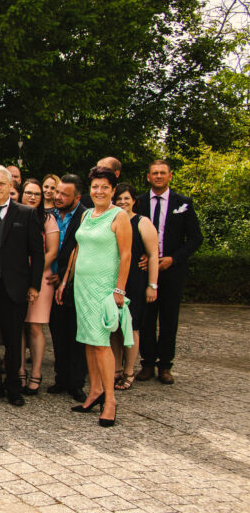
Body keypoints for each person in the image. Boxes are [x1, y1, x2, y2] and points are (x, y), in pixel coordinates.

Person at [57, 167, 132, 428]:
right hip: (82, 287)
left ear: (113, 190)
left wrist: (119, 289)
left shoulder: (119, 216)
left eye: (104, 187)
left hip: (103, 288)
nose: (99, 191)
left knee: (101, 343)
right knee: (88, 341)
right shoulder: (86, 214)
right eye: (95, 187)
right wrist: (65, 281)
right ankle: (95, 391)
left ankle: (110, 400)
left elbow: (126, 255)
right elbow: (77, 249)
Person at [0, 166, 43, 407]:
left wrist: (34, 286)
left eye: (2, 184)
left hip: (15, 286)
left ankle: (14, 386)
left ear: (11, 185)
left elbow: (37, 253)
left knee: (14, 339)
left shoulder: (26, 213)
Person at [136, 159, 201, 385]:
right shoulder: (139, 202)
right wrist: (143, 256)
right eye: (154, 173)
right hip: (145, 269)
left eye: (162, 173)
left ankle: (165, 365)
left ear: (170, 176)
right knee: (146, 318)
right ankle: (147, 363)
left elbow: (195, 238)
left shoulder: (183, 203)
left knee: (169, 318)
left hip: (172, 269)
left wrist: (173, 259)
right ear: (148, 177)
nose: (158, 176)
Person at [112, 183, 159, 390]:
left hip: (135, 280)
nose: (122, 202)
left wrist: (152, 285)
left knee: (131, 327)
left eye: (126, 198)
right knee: (114, 327)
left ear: (133, 200)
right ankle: (116, 368)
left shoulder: (142, 222)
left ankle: (129, 370)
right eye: (119, 199)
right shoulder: (112, 219)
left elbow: (153, 255)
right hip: (113, 279)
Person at [47, 174, 88, 401]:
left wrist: (64, 275)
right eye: (57, 192)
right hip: (48, 282)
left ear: (77, 197)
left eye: (64, 194)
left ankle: (76, 383)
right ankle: (61, 378)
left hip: (75, 283)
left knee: (76, 335)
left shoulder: (86, 216)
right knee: (57, 332)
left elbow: (86, 251)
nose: (58, 197)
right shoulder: (49, 214)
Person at [19, 179, 59, 395]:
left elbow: (52, 251)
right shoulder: (15, 215)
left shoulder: (47, 219)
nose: (32, 197)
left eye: (36, 194)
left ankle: (35, 372)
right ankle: (20, 371)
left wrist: (34, 272)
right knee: (18, 326)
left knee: (35, 326)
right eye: (28, 193)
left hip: (41, 277)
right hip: (17, 277)